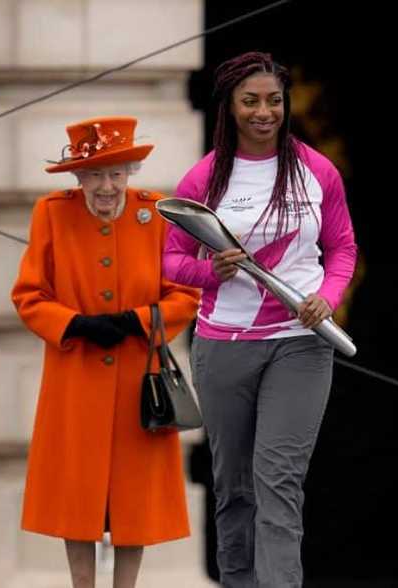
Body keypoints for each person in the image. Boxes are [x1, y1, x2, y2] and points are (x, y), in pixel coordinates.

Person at [163, 52, 358, 587]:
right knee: (235, 487)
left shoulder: (318, 170)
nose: (263, 112)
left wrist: (328, 295)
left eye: (273, 100)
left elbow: (342, 248)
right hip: (223, 346)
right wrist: (211, 271)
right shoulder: (205, 176)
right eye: (251, 101)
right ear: (230, 105)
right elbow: (171, 261)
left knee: (279, 481)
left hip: (301, 342)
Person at [12, 116, 199, 588]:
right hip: (75, 375)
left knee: (134, 499)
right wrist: (74, 323)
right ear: (78, 177)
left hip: (140, 377)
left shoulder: (156, 213)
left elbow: (186, 294)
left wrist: (134, 321)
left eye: (117, 173)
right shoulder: (52, 213)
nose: (107, 186)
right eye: (95, 174)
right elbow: (28, 295)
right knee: (77, 497)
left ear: (131, 171)